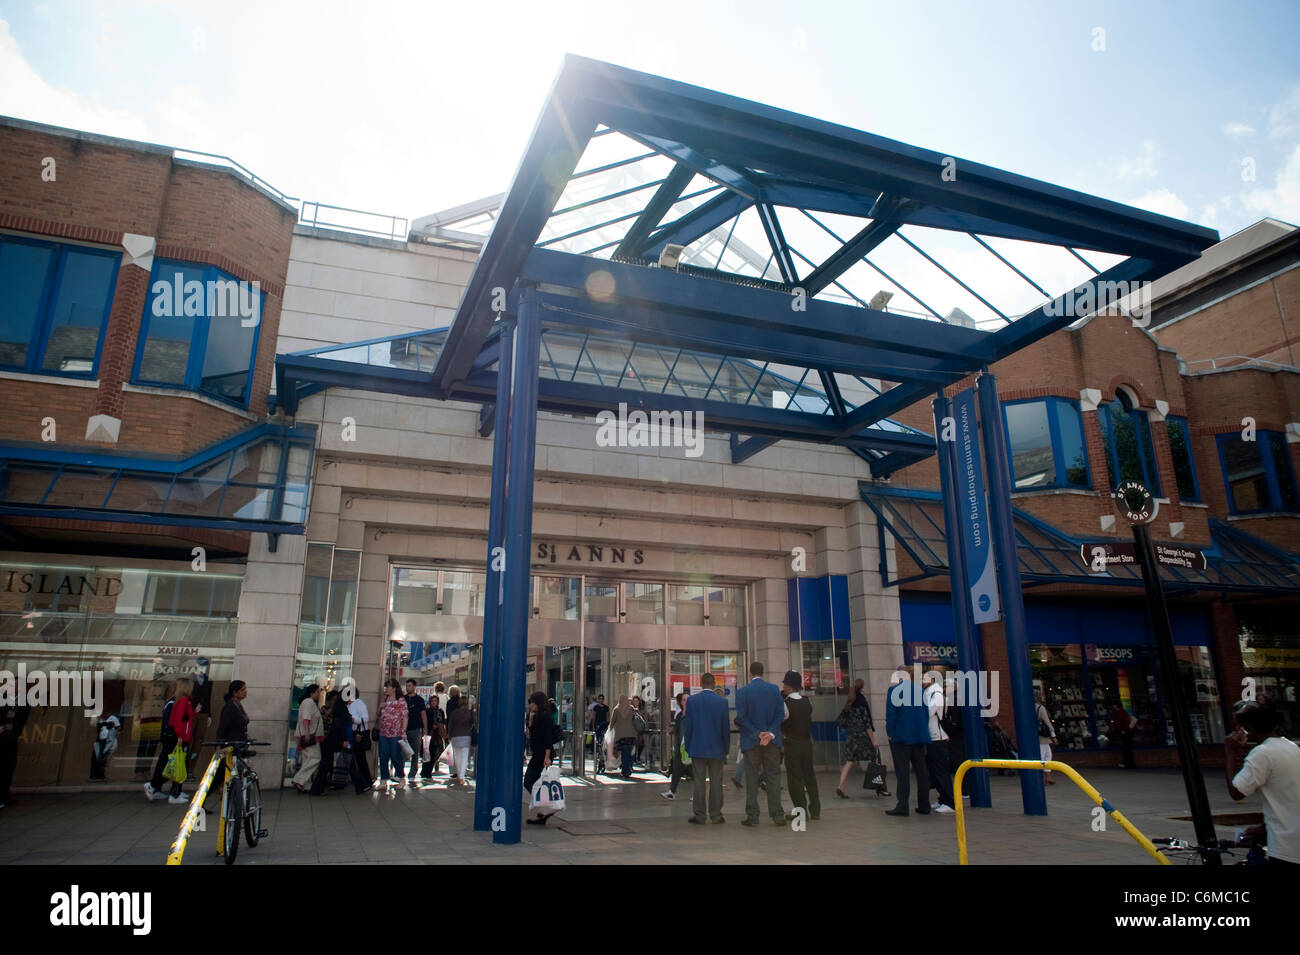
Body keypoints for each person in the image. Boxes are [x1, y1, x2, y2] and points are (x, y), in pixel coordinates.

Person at [1225, 699, 1300, 866]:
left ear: (1249, 728)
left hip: (1285, 847)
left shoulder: (1262, 753)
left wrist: (1230, 752)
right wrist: (1264, 827)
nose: (1236, 730)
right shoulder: (1290, 746)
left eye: (1239, 726)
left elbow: (1237, 792)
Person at [735, 661, 785, 827]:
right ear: (763, 672)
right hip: (772, 742)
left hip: (751, 742)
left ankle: (753, 816)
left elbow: (741, 718)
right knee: (773, 777)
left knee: (752, 778)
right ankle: (777, 815)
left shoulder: (742, 692)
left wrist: (758, 733)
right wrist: (769, 733)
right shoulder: (774, 690)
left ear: (750, 673)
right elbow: (780, 714)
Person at [682, 674, 730, 824]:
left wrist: (688, 745)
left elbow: (688, 726)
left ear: (701, 684)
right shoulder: (722, 702)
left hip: (698, 747)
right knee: (716, 782)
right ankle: (716, 814)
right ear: (714, 684)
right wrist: (726, 748)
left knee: (699, 782)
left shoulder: (692, 701)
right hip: (717, 748)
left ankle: (700, 815)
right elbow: (725, 728)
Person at [885, 667, 931, 817]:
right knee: (922, 772)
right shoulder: (920, 691)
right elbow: (926, 713)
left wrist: (890, 733)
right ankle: (924, 805)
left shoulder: (894, 691)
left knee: (903, 772)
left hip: (902, 737)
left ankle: (903, 806)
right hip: (919, 736)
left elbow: (891, 715)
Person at [146, 677, 196, 804]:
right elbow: (177, 721)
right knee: (173, 764)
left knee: (174, 763)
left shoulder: (179, 701)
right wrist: (180, 736)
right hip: (176, 738)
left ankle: (169, 789)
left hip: (175, 737)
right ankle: (159, 787)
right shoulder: (180, 701)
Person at [781, 670, 820, 821]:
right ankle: (815, 809)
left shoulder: (786, 704)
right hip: (807, 744)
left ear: (789, 686)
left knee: (795, 779)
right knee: (810, 776)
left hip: (792, 745)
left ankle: (801, 811)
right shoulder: (807, 701)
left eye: (784, 683)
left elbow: (782, 721)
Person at [206, 680, 249, 812]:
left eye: (245, 689)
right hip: (229, 744)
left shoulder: (237, 705)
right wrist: (219, 744)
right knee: (219, 775)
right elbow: (222, 727)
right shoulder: (230, 707)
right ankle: (201, 800)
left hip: (237, 744)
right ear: (234, 692)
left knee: (232, 772)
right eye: (242, 690)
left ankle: (229, 797)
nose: (245, 692)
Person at [835, 677, 880, 799]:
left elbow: (840, 720)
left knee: (849, 762)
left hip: (851, 736)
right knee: (874, 759)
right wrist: (873, 741)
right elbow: (867, 724)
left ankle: (840, 786)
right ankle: (879, 787)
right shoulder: (862, 702)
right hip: (863, 737)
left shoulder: (850, 702)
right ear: (862, 688)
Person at [923, 672, 956, 813]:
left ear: (932, 680)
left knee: (941, 771)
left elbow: (928, 713)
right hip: (934, 737)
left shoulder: (936, 695)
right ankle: (943, 799)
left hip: (937, 738)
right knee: (936, 771)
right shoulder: (931, 694)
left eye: (924, 678)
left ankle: (949, 802)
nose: (922, 681)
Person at [524, 692, 555, 825]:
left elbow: (548, 738)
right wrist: (530, 720)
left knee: (529, 781)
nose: (530, 705)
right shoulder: (535, 716)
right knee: (538, 784)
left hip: (543, 754)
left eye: (532, 702)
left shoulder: (545, 717)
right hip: (537, 753)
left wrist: (547, 757)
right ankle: (543, 812)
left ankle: (546, 807)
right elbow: (531, 735)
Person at [377, 679, 408, 792]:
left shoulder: (401, 701)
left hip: (396, 733)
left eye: (388, 687)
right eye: (386, 687)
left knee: (395, 755)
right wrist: (380, 707)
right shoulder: (384, 700)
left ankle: (401, 777)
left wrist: (403, 731)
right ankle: (384, 780)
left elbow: (405, 716)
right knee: (383, 756)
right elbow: (378, 715)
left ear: (394, 688)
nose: (386, 689)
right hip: (383, 733)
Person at [292, 684, 324, 792]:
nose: (319, 694)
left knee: (307, 760)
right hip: (309, 736)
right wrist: (306, 733)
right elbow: (306, 718)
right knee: (316, 758)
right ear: (312, 692)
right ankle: (299, 779)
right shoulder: (309, 702)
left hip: (308, 735)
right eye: (318, 692)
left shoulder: (308, 702)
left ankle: (304, 784)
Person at [0, 704, 32, 810]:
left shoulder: (24, 704)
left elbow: (19, 722)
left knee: (8, 767)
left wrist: (5, 728)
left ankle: (4, 795)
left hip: (9, 738)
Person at [446, 686, 475, 785]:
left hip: (455, 736)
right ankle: (461, 776)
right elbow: (473, 722)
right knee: (464, 757)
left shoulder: (454, 713)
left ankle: (459, 774)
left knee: (457, 757)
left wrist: (449, 735)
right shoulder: (469, 713)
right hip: (466, 736)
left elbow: (450, 725)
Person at [662, 692, 688, 800]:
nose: (686, 702)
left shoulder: (692, 715)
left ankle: (699, 795)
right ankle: (672, 791)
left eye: (688, 699)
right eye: (684, 700)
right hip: (679, 747)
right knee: (676, 769)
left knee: (697, 771)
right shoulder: (679, 716)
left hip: (688, 747)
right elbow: (677, 731)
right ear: (680, 702)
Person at [403, 679, 428, 785]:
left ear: (414, 687)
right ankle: (400, 773)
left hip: (416, 729)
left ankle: (412, 774)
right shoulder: (403, 699)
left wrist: (425, 728)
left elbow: (423, 714)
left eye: (409, 686)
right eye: (407, 686)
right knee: (402, 752)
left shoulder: (419, 700)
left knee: (415, 753)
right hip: (404, 730)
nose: (408, 687)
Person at [348, 689, 373, 790]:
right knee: (357, 758)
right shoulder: (348, 705)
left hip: (358, 733)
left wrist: (354, 719)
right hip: (351, 733)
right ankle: (363, 781)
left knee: (360, 758)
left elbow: (365, 718)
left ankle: (366, 780)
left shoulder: (359, 704)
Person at [610, 695, 639, 779]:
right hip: (631, 734)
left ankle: (625, 770)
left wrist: (610, 730)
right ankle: (629, 767)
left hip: (621, 735)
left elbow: (612, 722)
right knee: (630, 752)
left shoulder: (616, 709)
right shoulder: (631, 708)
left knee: (624, 752)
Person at [1035, 692, 1058, 785]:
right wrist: (1054, 736)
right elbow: (1047, 722)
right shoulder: (1041, 708)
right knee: (1045, 757)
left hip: (1034, 735)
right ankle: (1043, 778)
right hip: (1042, 736)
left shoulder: (1028, 707)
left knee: (1047, 755)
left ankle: (1048, 777)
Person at [422, 690, 446, 780]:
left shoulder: (440, 711)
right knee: (427, 753)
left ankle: (429, 770)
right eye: (432, 701)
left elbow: (443, 721)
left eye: (435, 701)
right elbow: (425, 721)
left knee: (437, 752)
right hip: (429, 733)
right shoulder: (427, 710)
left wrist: (440, 727)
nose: (434, 703)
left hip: (438, 734)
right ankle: (426, 771)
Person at [1110, 701, 1136, 769]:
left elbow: (1124, 722)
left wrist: (1123, 730)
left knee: (1127, 748)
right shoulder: (1119, 713)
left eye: (1114, 705)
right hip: (1123, 732)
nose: (1113, 707)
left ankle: (1129, 764)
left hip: (1125, 733)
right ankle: (1129, 763)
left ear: (1116, 706)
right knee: (1126, 748)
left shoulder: (1121, 713)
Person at [591, 694, 609, 772]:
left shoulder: (606, 708)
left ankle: (603, 761)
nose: (601, 700)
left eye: (602, 698)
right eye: (600, 698)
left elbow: (608, 717)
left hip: (604, 726)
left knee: (604, 743)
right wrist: (593, 727)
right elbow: (594, 717)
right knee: (598, 744)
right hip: (598, 727)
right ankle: (599, 760)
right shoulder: (596, 707)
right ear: (598, 699)